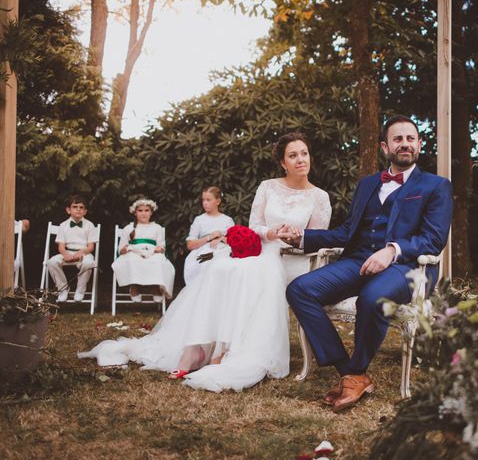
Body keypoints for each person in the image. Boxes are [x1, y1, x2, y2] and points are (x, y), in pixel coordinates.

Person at [78, 132, 331, 393]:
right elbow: (255, 225)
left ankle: (230, 350)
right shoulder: (267, 186)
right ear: (283, 162)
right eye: (293, 155)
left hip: (293, 259)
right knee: (219, 266)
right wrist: (271, 233)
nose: (301, 159)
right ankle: (202, 345)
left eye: (304, 153)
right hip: (262, 248)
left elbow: (318, 239)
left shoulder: (319, 197)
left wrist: (295, 237)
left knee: (255, 274)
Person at [284, 114, 453, 412]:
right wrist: (302, 238)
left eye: (410, 138)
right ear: (385, 147)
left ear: (419, 145)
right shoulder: (367, 184)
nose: (405, 144)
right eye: (398, 139)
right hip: (359, 259)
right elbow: (347, 231)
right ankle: (349, 371)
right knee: (299, 289)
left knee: (372, 298)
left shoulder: (435, 186)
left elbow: (434, 238)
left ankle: (355, 370)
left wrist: (392, 250)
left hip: (408, 267)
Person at [112, 198, 175, 303]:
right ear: (135, 213)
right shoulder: (129, 228)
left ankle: (155, 286)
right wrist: (129, 248)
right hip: (133, 252)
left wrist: (158, 249)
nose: (143, 213)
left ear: (151, 213)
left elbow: (161, 246)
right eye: (140, 211)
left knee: (158, 260)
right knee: (132, 260)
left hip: (152, 252)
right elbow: (121, 249)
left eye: (146, 210)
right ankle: (134, 286)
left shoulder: (157, 228)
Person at [46, 195, 99, 302]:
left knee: (89, 263)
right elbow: (61, 246)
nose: (78, 209)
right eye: (75, 207)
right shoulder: (63, 225)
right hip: (67, 251)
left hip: (84, 252)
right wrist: (65, 254)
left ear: (85, 211)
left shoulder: (90, 225)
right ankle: (63, 289)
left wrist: (82, 252)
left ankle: (80, 289)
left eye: (81, 207)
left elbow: (90, 247)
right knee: (51, 262)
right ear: (68, 210)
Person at [183, 186, 234, 285]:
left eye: (208, 200)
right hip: (203, 252)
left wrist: (221, 238)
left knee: (222, 265)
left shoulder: (227, 220)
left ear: (218, 201)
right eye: (203, 200)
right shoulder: (199, 220)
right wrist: (209, 237)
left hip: (222, 252)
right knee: (205, 264)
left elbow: (234, 242)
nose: (205, 203)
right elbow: (190, 245)